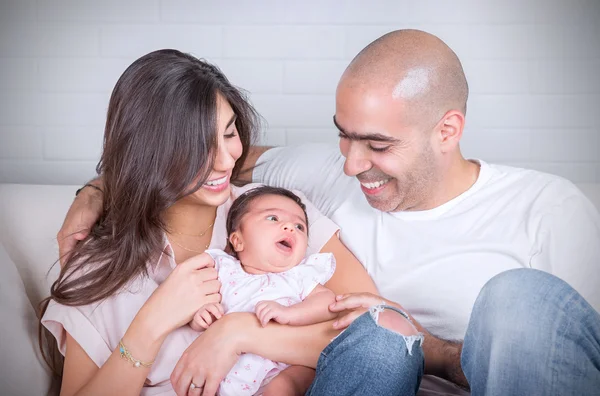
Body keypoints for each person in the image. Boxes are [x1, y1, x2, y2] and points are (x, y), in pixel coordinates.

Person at [59, 30, 600, 395]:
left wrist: (237, 332)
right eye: (343, 138)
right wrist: (98, 189)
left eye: (377, 144)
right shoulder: (292, 189)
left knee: (502, 302)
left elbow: (376, 330)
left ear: (447, 130)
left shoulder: (547, 210)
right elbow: (180, 159)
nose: (351, 165)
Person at [42, 49, 424, 396]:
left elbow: (383, 329)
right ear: (152, 152)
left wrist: (237, 334)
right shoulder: (98, 264)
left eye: (230, 134)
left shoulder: (275, 212)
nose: (226, 160)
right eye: (200, 148)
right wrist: (150, 326)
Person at [197, 185, 410, 395]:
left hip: (286, 364)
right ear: (238, 240)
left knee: (284, 386)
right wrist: (201, 315)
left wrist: (290, 314)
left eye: (300, 227)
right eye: (273, 218)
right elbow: (200, 300)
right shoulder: (224, 270)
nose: (290, 227)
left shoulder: (298, 276)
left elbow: (327, 303)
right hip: (229, 371)